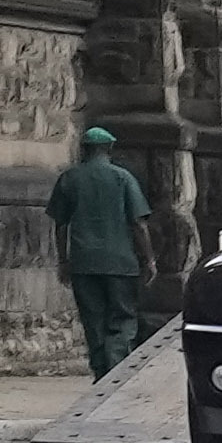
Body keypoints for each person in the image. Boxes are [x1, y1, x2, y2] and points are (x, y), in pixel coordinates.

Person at [50, 126, 156, 374]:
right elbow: (139, 224)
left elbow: (60, 225)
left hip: (84, 264)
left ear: (84, 149)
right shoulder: (123, 178)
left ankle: (101, 371)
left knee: (93, 320)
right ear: (109, 149)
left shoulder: (69, 179)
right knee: (122, 318)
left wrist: (63, 261)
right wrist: (149, 259)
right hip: (121, 264)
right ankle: (115, 368)